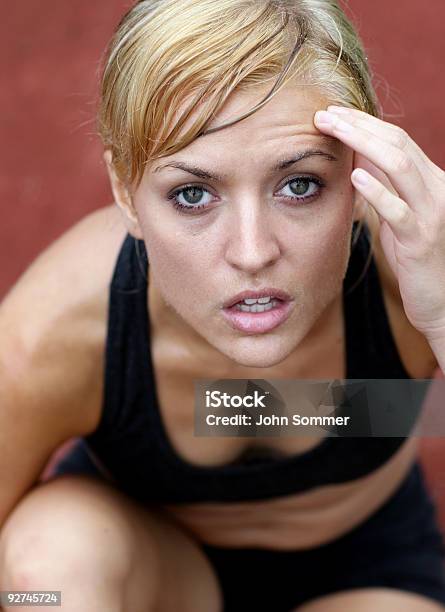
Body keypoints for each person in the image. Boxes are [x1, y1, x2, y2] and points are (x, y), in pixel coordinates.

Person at [1, 0, 445, 610]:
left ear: (355, 171)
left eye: (299, 185)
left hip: (365, 568)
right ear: (127, 191)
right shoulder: (59, 333)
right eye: (191, 194)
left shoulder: (416, 280)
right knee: (40, 578)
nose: (253, 252)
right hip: (150, 565)